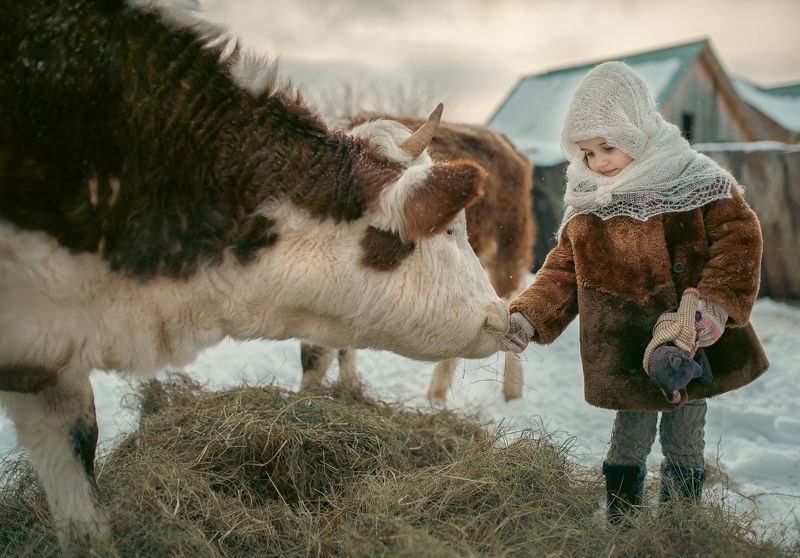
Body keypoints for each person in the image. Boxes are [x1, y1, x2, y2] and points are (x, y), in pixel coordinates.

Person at [504, 61, 769, 523]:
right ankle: (623, 519)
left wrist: (714, 303)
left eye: (608, 147)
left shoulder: (693, 178)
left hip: (688, 340)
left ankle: (679, 522)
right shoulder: (590, 201)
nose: (598, 162)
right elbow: (563, 270)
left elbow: (738, 238)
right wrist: (529, 316)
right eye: (587, 153)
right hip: (626, 345)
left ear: (638, 129)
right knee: (629, 436)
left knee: (685, 434)